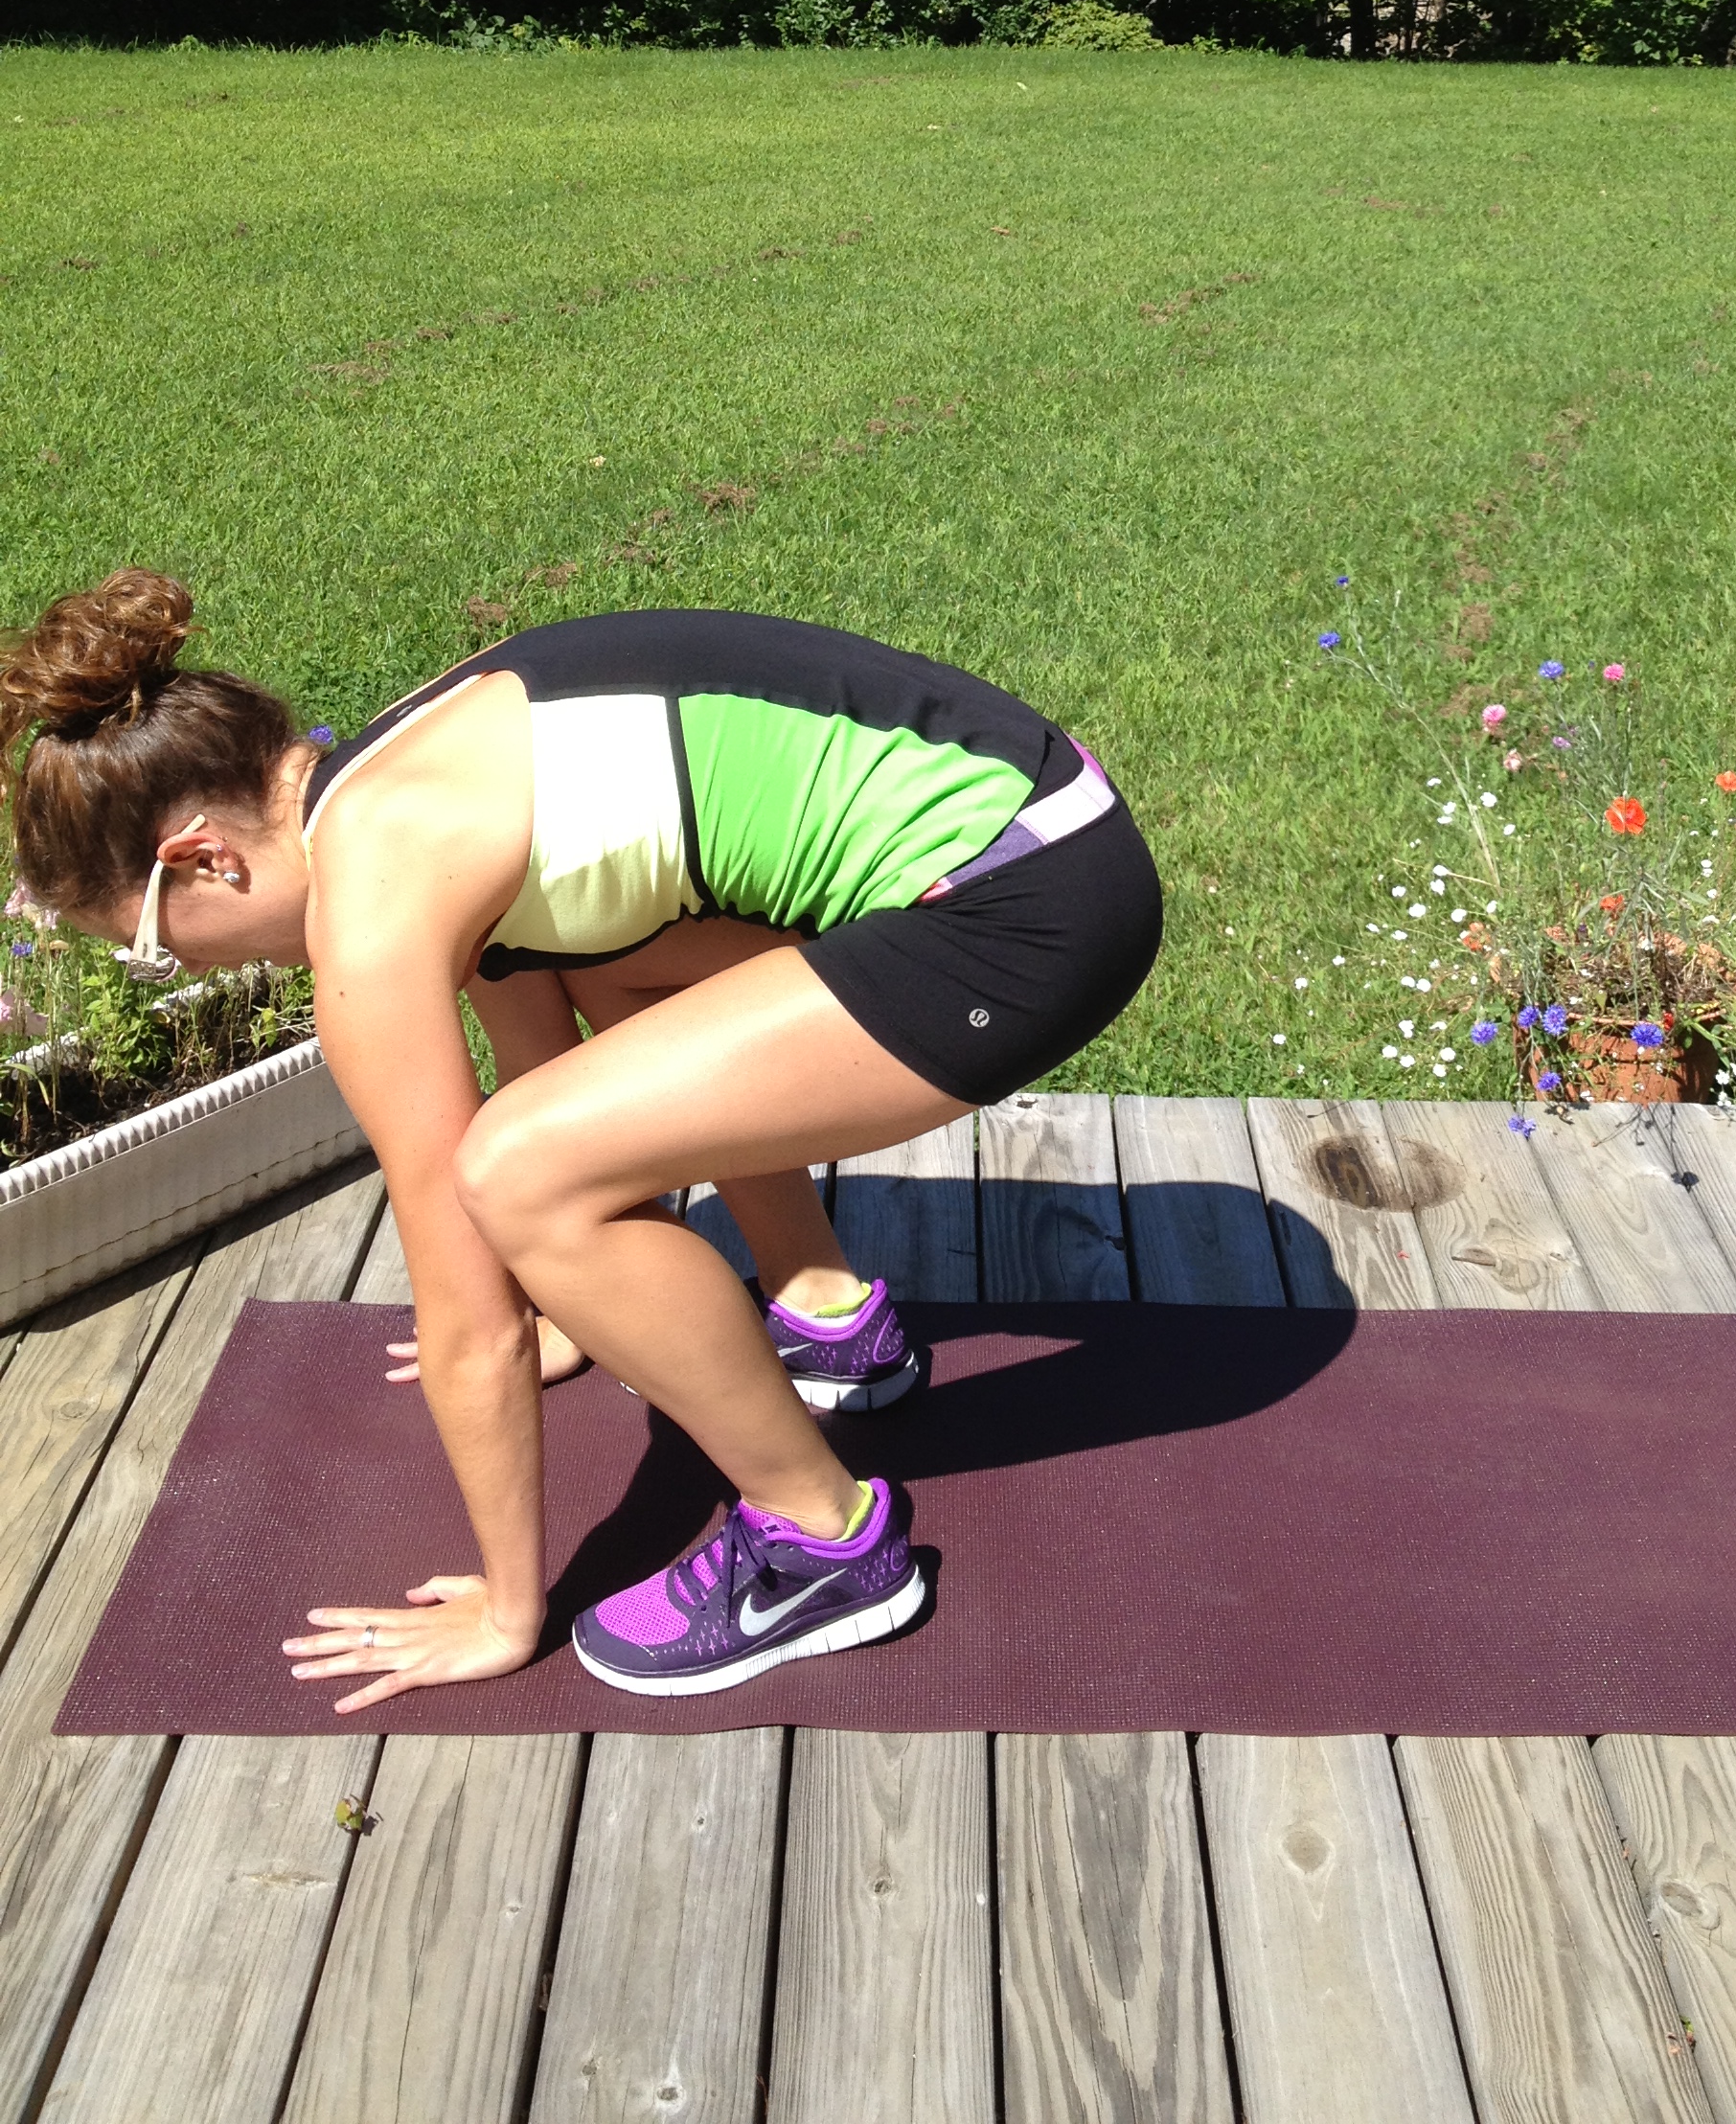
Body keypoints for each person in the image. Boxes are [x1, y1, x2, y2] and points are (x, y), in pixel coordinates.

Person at [0, 573, 1160, 1710]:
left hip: (1025, 914)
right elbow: (549, 1043)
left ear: (203, 859)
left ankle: (825, 1547)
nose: (187, 967)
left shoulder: (373, 891)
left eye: (153, 946)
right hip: (1058, 833)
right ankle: (828, 1318)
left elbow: (470, 1308)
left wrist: (508, 1610)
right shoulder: (402, 776)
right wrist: (578, 1302)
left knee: (517, 1174)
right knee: (604, 984)